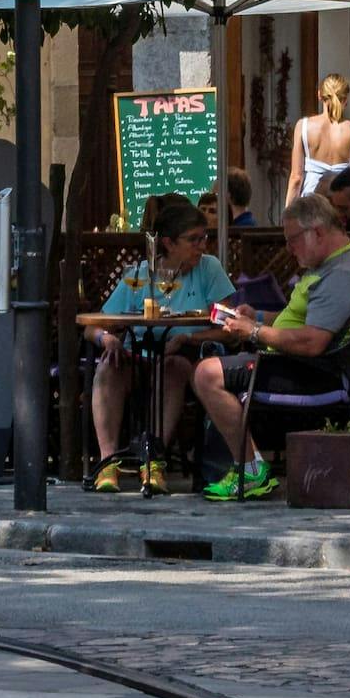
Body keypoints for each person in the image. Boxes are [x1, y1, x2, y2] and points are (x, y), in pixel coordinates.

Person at [193, 193, 350, 502]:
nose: (289, 248)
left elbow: (311, 342)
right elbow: (303, 319)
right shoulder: (333, 263)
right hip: (301, 362)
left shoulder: (340, 274)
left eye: (293, 239)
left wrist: (253, 331)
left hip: (314, 372)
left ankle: (250, 470)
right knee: (213, 364)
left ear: (317, 232)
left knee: (206, 374)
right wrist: (261, 317)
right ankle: (240, 466)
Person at [85, 193, 235, 492]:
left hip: (188, 356)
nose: (201, 246)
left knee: (174, 367)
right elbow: (93, 327)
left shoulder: (209, 268)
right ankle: (107, 463)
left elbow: (230, 327)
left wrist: (187, 338)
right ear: (168, 243)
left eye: (203, 238)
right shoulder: (141, 274)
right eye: (194, 240)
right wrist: (106, 339)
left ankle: (152, 459)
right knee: (109, 366)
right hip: (138, 355)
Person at [285, 75, 350, 210]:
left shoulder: (303, 126)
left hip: (311, 202)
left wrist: (287, 214)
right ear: (345, 99)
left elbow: (296, 177)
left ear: (319, 95)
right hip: (342, 204)